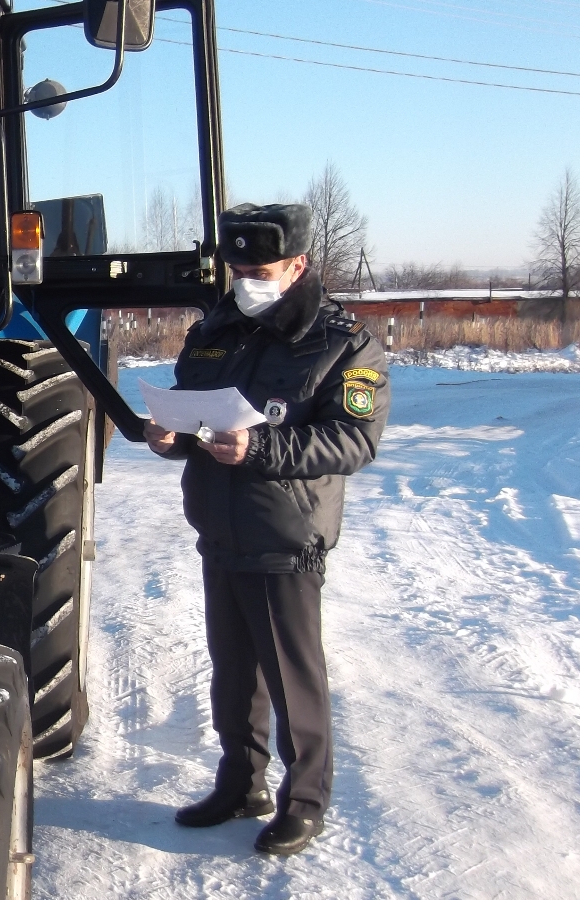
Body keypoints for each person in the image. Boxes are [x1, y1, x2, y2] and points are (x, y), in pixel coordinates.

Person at [143, 202, 390, 856]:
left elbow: (352, 441)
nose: (246, 278)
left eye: (261, 268)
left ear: (299, 264)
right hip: (220, 529)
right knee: (232, 675)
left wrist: (260, 450)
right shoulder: (217, 329)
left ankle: (305, 800)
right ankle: (240, 783)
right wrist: (169, 437)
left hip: (285, 537)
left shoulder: (343, 341)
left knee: (291, 678)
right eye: (239, 267)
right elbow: (196, 415)